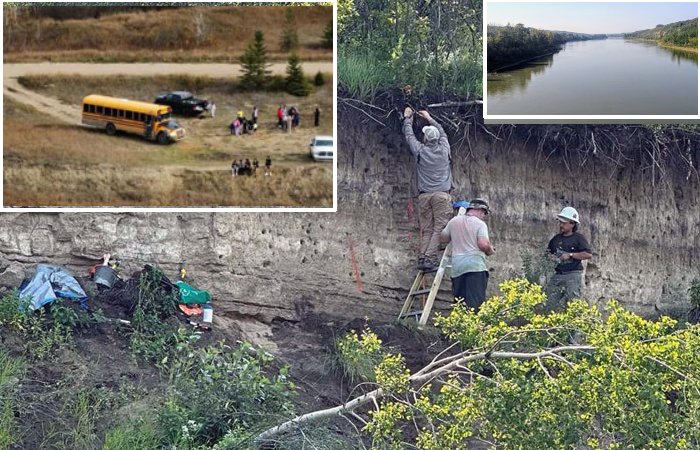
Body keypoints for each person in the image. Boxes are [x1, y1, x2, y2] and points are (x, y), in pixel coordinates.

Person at [403, 107, 453, 270]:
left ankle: (422, 257)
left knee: (427, 229)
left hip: (424, 196)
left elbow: (409, 136)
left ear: (425, 139)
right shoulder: (445, 148)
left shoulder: (420, 151)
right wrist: (429, 118)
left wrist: (408, 118)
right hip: (441, 196)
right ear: (438, 139)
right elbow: (442, 131)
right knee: (439, 228)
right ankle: (429, 259)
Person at [440, 199, 495, 310]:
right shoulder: (480, 224)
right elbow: (483, 245)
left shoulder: (454, 221)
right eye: (484, 213)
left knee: (460, 303)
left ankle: (460, 326)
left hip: (457, 269)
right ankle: (474, 327)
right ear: (480, 210)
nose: (484, 216)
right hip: (475, 268)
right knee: (475, 304)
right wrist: (490, 250)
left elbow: (443, 238)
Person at [544, 207, 593, 312]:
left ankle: (571, 327)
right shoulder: (556, 239)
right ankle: (549, 325)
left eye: (564, 223)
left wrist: (570, 255)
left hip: (573, 275)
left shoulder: (579, 238)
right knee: (548, 302)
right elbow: (547, 254)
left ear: (572, 224)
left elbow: (588, 254)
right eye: (560, 222)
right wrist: (551, 258)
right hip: (558, 275)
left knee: (573, 305)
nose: (561, 225)